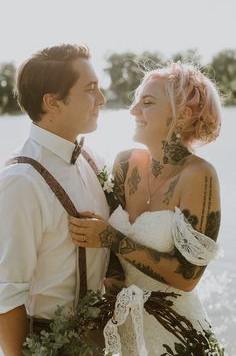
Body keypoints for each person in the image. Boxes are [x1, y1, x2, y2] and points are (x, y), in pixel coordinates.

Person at [69, 62, 224, 355]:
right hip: (123, 326)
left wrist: (111, 238)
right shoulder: (125, 164)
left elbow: (187, 277)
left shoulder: (198, 176)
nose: (133, 111)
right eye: (136, 101)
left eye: (147, 103)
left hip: (176, 333)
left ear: (183, 115)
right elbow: (111, 261)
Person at [0, 44, 112, 356]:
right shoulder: (21, 182)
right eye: (90, 90)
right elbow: (7, 294)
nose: (101, 100)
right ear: (52, 102)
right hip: (48, 344)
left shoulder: (94, 159)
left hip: (103, 339)